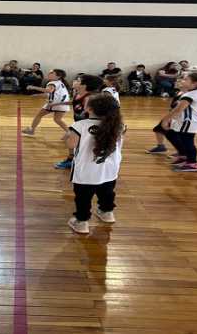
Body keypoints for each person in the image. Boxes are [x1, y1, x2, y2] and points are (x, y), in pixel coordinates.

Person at [64, 93, 126, 234]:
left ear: (89, 109)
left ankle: (82, 222)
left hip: (86, 171)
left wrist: (67, 136)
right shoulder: (119, 126)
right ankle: (107, 213)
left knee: (83, 197)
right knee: (107, 192)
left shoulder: (79, 125)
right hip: (109, 169)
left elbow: (71, 145)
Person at [159, 72, 197, 172]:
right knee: (174, 134)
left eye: (186, 79)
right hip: (193, 122)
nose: (183, 81)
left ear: (195, 83)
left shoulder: (190, 95)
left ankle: (192, 163)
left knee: (187, 142)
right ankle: (184, 156)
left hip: (189, 122)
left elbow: (178, 110)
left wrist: (165, 120)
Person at [54, 74, 104, 170]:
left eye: (78, 80)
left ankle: (77, 162)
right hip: (79, 123)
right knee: (71, 141)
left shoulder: (89, 98)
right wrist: (58, 103)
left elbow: (96, 114)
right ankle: (72, 160)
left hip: (88, 125)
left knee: (76, 143)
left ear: (84, 85)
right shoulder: (78, 94)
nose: (74, 81)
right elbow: (74, 102)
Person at [21, 69, 71, 136]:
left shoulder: (52, 83)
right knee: (57, 119)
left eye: (52, 73)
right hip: (63, 105)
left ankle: (32, 130)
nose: (49, 74)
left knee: (39, 115)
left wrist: (33, 87)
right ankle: (68, 132)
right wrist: (37, 95)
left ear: (58, 76)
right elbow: (49, 94)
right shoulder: (60, 83)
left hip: (54, 104)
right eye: (50, 72)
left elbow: (48, 91)